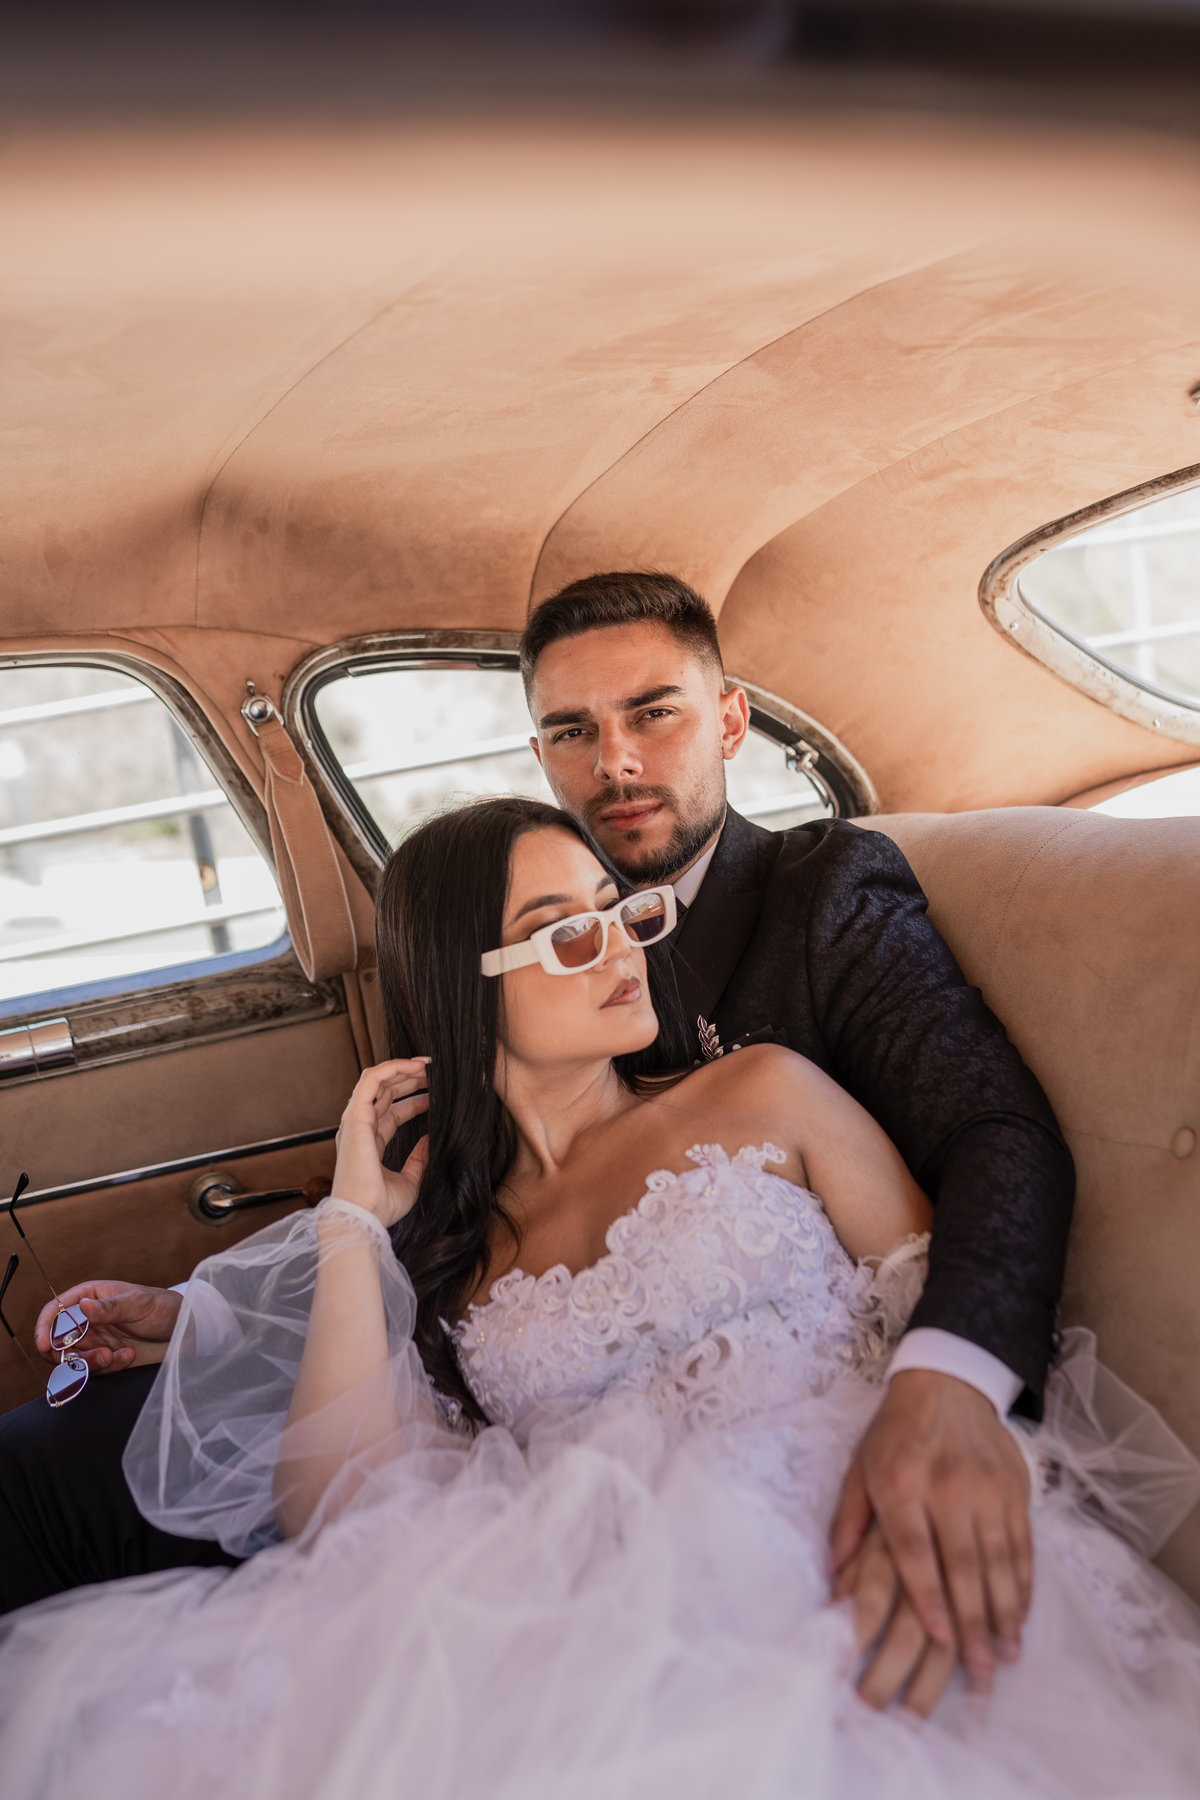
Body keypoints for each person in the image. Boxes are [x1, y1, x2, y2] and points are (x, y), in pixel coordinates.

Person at [0, 572, 1070, 1711]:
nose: (616, 762)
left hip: (809, 1499)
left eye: (652, 712)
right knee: (38, 1470)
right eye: (573, 730)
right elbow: (401, 1360)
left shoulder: (815, 928)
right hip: (570, 1565)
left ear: (730, 721)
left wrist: (950, 1388)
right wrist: (213, 1320)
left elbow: (995, 1135)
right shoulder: (466, 1199)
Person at [0, 794, 1197, 1800]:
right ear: (466, 987)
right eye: (565, 935)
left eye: (620, 912)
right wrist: (354, 1220)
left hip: (859, 1531)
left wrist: (952, 1453)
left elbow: (948, 1299)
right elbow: (347, 1522)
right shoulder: (453, 1256)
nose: (622, 947)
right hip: (604, 1622)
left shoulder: (765, 1092)